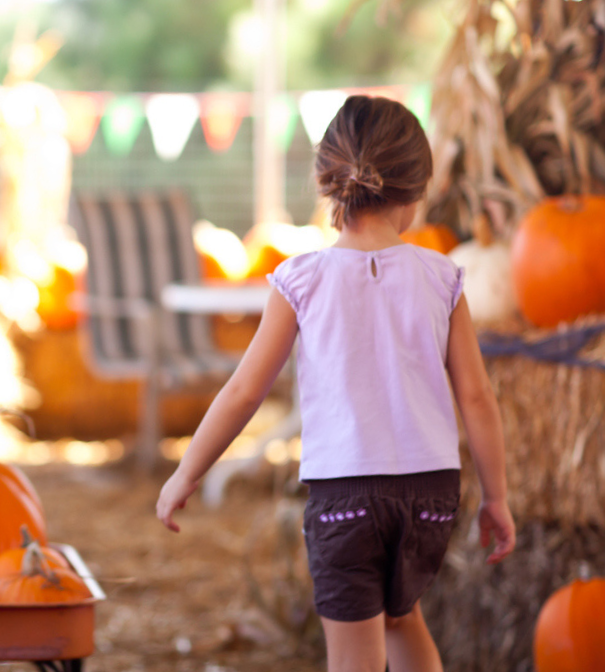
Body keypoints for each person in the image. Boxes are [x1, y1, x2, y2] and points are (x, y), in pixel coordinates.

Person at [156, 96, 516, 672]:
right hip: (431, 493)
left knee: (353, 659)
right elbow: (477, 398)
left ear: (328, 185)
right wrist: (496, 498)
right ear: (417, 193)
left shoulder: (300, 280)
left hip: (344, 496)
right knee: (402, 621)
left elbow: (245, 391)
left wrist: (187, 470)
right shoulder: (442, 277)